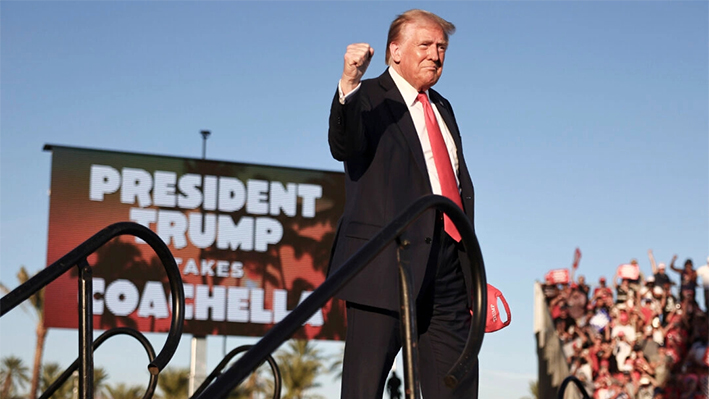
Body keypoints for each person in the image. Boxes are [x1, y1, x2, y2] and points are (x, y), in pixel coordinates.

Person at [327, 9, 484, 399]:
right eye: (426, 45)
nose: (436, 55)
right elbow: (343, 146)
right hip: (386, 264)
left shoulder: (442, 107)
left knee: (455, 387)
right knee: (363, 390)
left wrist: (472, 270)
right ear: (394, 51)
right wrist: (349, 81)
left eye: (442, 47)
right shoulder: (368, 97)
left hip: (449, 271)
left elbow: (458, 185)